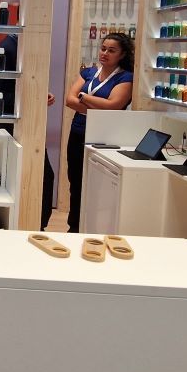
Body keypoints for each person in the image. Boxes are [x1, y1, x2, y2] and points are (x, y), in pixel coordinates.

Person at [0, 34, 58, 230]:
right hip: (12, 126)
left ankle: (35, 225)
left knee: (40, 177)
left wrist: (39, 95)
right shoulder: (6, 49)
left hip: (28, 124)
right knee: (36, 177)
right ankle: (32, 226)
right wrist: (32, 97)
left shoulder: (23, 46)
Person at [63, 33, 134, 233]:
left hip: (104, 138)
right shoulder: (89, 72)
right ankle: (74, 228)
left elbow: (113, 106)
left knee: (98, 187)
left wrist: (84, 97)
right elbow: (69, 100)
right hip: (78, 133)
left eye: (111, 50)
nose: (105, 53)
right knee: (76, 183)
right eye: (103, 48)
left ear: (122, 54)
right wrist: (97, 108)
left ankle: (94, 228)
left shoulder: (126, 77)